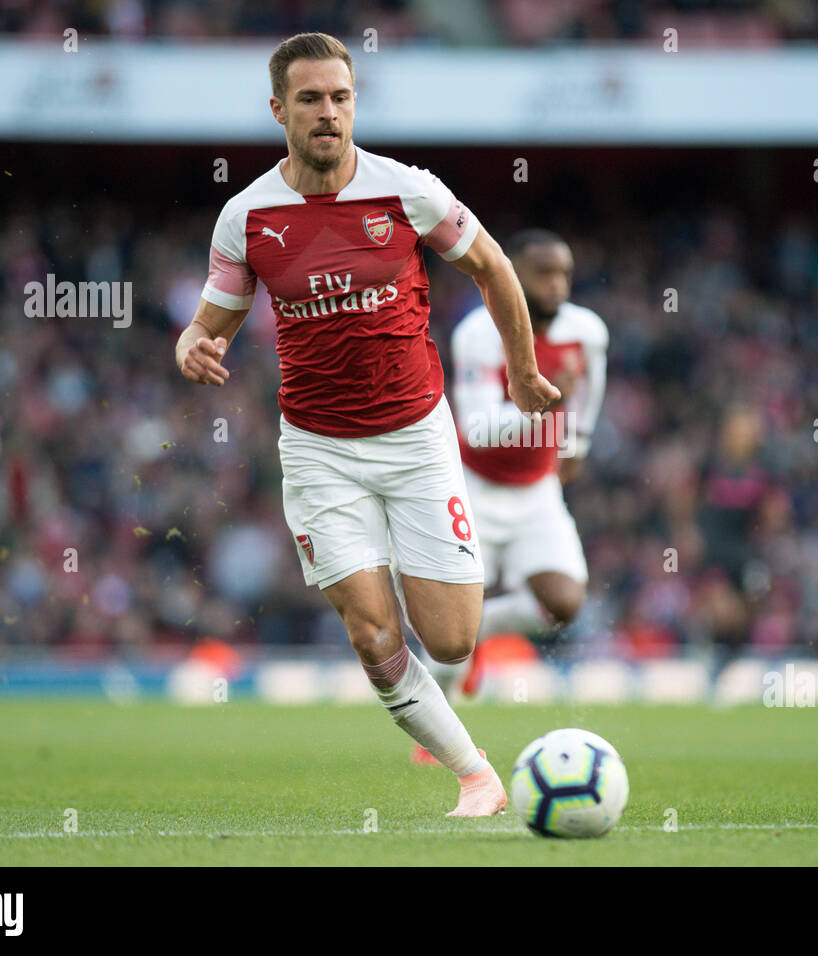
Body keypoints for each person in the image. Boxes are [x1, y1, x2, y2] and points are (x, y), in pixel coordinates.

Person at [175, 33, 558, 816]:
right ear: (278, 109)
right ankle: (475, 776)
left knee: (450, 639)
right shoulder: (246, 216)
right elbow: (210, 321)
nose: (328, 113)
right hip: (318, 451)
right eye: (311, 99)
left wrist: (521, 370)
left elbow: (495, 267)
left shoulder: (409, 191)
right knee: (372, 634)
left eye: (341, 97)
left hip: (416, 438)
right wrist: (192, 343)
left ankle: (465, 738)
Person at [419, 230, 606, 718]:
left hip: (536, 489)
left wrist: (578, 442)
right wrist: (540, 408)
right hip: (473, 486)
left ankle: (482, 630)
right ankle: (436, 722)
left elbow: (591, 387)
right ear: (513, 276)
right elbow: (477, 431)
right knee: (450, 626)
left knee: (564, 605)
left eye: (564, 273)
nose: (557, 284)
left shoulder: (586, 332)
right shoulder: (479, 333)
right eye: (544, 273)